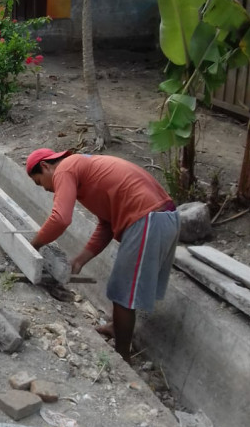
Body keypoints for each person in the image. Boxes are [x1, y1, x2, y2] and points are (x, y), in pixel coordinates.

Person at [26, 148, 180, 362]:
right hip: (157, 216)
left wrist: (32, 245)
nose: (45, 189)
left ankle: (122, 357)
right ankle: (116, 328)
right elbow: (106, 225)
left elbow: (60, 218)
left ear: (45, 166)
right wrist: (80, 260)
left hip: (149, 218)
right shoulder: (82, 170)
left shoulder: (65, 169)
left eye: (39, 182)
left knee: (123, 292)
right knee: (122, 285)